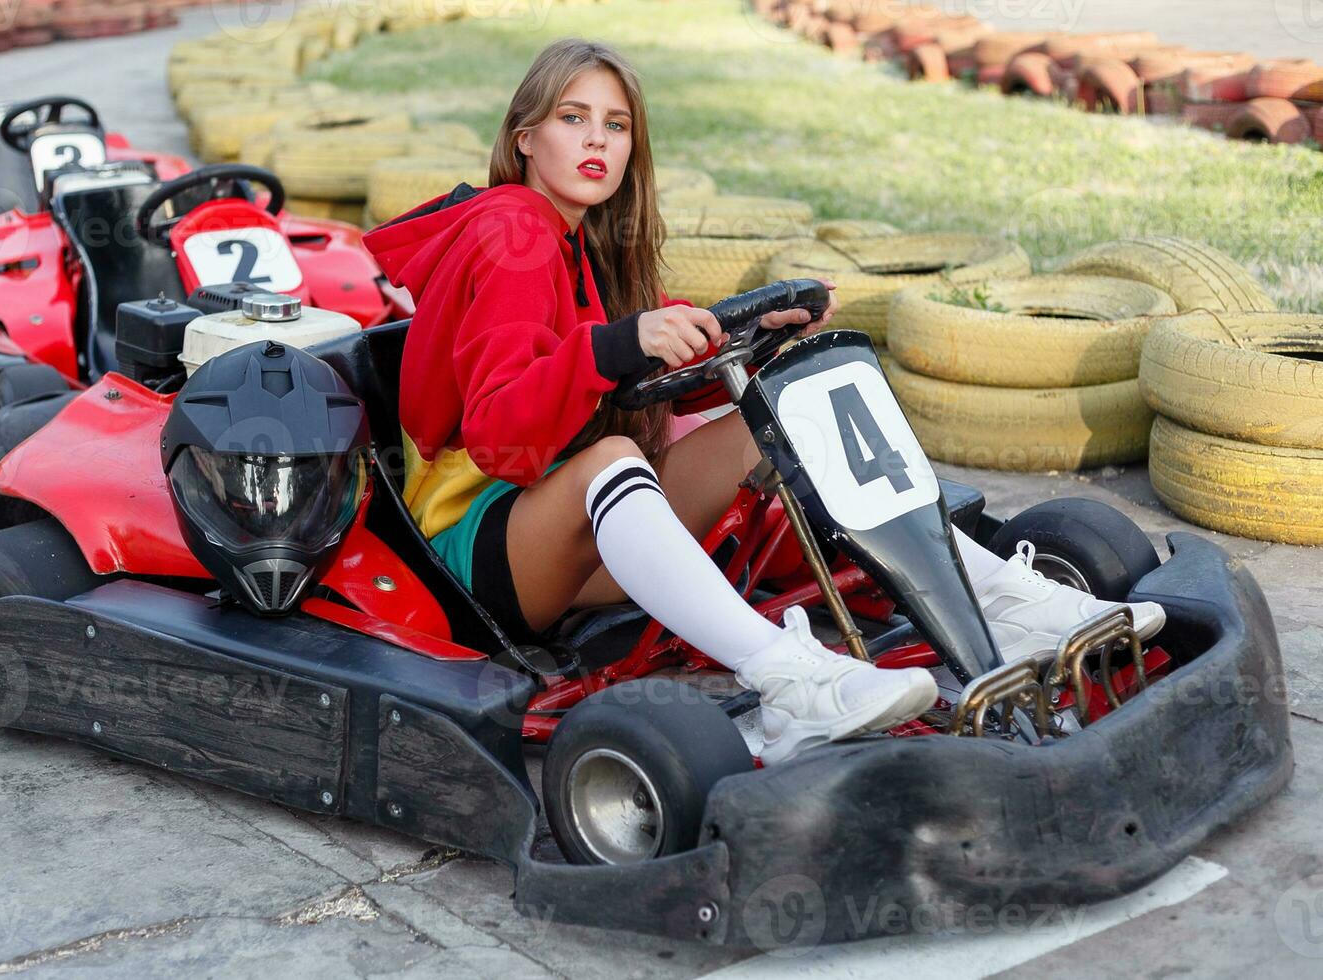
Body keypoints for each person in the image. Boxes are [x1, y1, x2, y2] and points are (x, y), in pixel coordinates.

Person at [361, 38, 1164, 764]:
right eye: (574, 118)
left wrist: (756, 335)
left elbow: (640, 371)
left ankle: (994, 595)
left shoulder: (583, 242)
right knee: (617, 456)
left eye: (615, 124)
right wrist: (616, 346)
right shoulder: (512, 231)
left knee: (773, 419)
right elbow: (503, 434)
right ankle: (791, 683)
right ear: (525, 137)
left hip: (563, 524)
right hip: (479, 549)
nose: (598, 139)